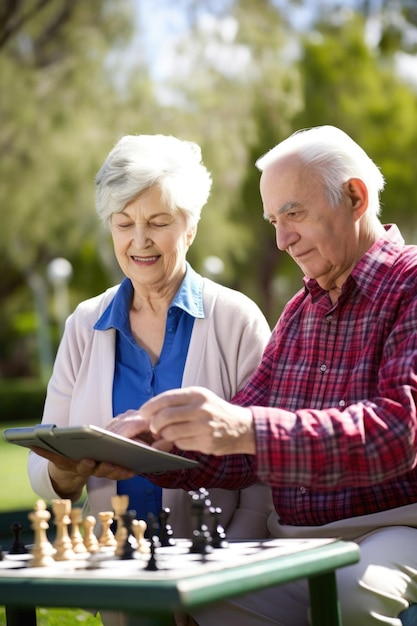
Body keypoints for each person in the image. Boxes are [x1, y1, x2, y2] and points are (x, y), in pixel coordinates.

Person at [107, 125, 417, 626]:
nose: (282, 238)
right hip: (294, 537)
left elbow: (397, 435)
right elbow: (239, 444)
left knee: (348, 596)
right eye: (274, 219)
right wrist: (150, 448)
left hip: (399, 528)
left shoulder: (411, 287)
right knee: (200, 599)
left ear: (355, 197)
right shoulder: (299, 312)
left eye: (293, 212)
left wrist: (245, 430)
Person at [27, 134, 274, 625]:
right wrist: (64, 474)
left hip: (224, 584)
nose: (139, 240)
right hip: (122, 578)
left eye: (158, 223)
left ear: (191, 227)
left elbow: (268, 467)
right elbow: (45, 457)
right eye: (124, 224)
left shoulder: (236, 319)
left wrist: (222, 573)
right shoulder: (84, 323)